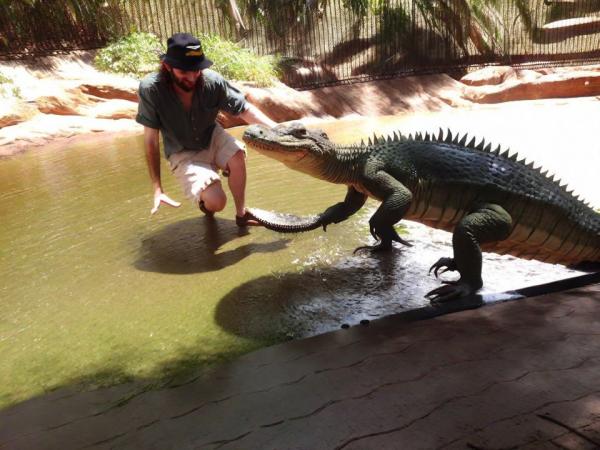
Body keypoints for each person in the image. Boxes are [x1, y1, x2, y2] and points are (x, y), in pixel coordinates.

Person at [136, 32, 277, 225]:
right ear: (167, 67)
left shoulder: (212, 82)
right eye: (184, 72)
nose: (192, 77)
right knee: (217, 202)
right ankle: (206, 201)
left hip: (211, 135)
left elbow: (244, 109)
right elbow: (150, 141)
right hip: (182, 150)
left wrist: (277, 131)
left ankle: (242, 214)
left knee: (236, 155)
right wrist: (157, 188)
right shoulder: (151, 90)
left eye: (196, 70)